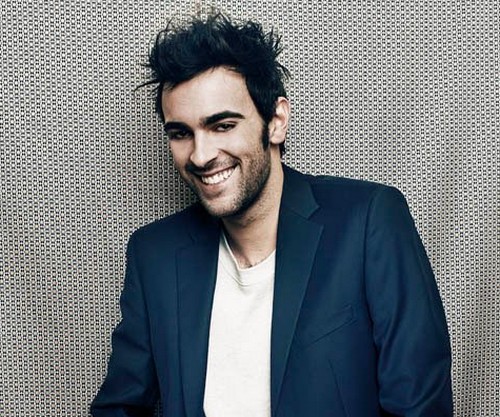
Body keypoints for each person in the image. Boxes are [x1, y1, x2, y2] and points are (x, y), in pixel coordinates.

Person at [91, 13, 453, 417]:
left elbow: (419, 405)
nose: (201, 155)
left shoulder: (368, 221)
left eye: (222, 125)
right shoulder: (154, 254)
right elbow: (119, 407)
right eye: (181, 133)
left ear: (276, 122)